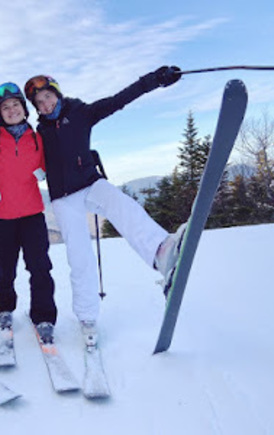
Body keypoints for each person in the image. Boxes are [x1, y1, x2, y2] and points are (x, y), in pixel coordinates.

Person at [23, 67, 184, 346]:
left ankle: (161, 251)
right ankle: (87, 318)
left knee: (121, 203)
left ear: (57, 94)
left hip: (90, 184)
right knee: (79, 256)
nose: (45, 104)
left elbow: (118, 100)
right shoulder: (40, 132)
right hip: (63, 198)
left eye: (47, 97)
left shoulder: (81, 113)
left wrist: (153, 80)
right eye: (39, 102)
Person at [0, 82, 57, 344]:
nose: (11, 110)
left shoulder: (38, 139)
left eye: (15, 104)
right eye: (5, 107)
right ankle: (4, 310)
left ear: (25, 109)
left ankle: (44, 316)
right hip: (1, 216)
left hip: (32, 214)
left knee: (40, 267)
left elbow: (54, 166)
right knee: (5, 269)